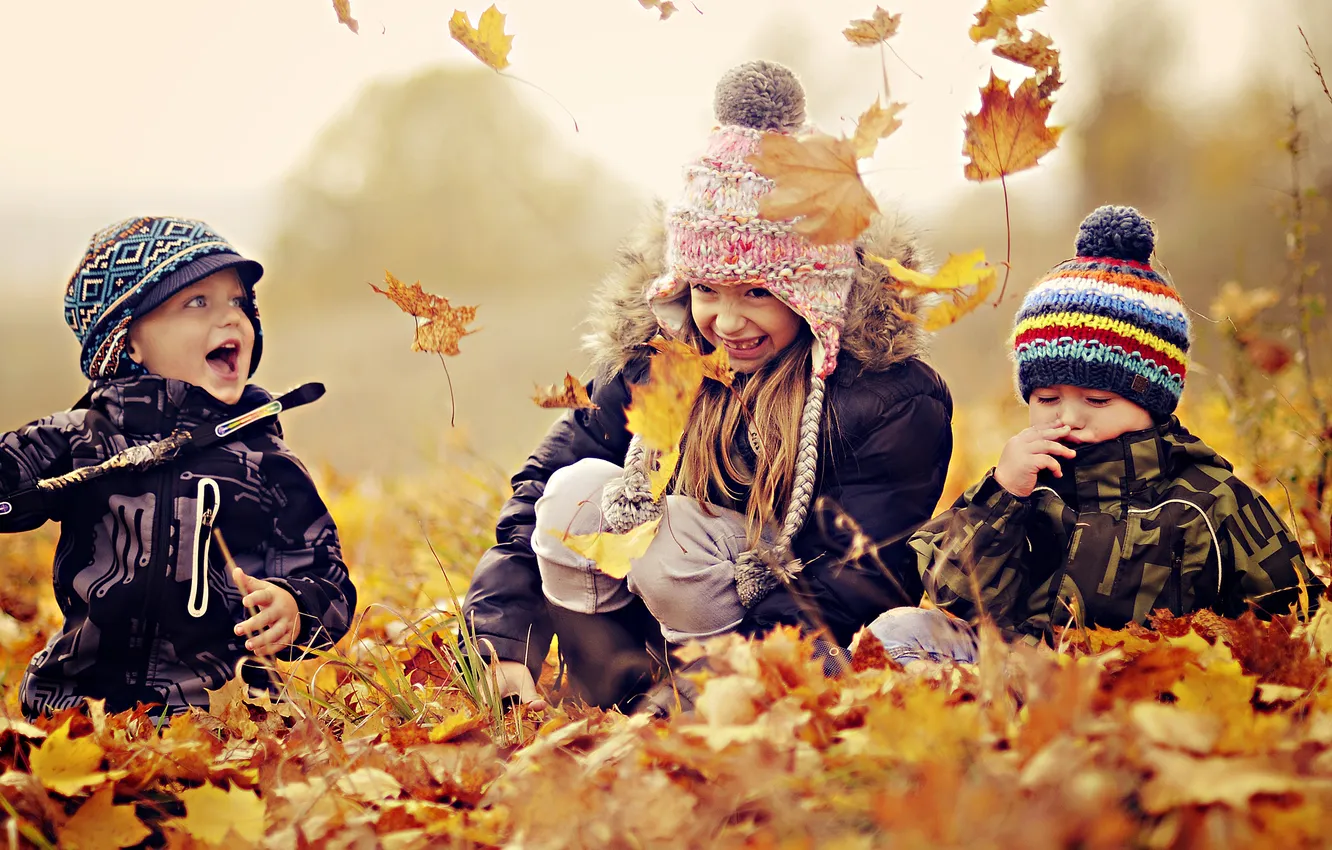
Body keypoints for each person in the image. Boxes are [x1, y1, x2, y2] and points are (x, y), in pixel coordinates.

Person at [463, 61, 954, 710]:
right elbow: (538, 491)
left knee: (676, 542)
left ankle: (701, 704)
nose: (726, 320)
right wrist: (501, 640)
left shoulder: (883, 400)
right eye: (705, 291)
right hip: (657, 641)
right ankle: (615, 692)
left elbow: (851, 581)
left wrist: (713, 692)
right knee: (573, 495)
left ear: (813, 294)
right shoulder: (662, 362)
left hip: (794, 654)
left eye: (757, 292)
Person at [869, 205, 1323, 666]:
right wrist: (1001, 497)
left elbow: (1293, 615)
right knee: (898, 629)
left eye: (1097, 401)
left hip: (1147, 694)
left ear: (1153, 401)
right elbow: (958, 598)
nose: (1069, 417)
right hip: (1025, 676)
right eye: (1047, 399)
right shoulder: (1028, 485)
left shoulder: (1208, 499)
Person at [0, 217, 356, 719]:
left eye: (238, 302)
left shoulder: (264, 460)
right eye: (198, 302)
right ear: (128, 341)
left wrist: (294, 607)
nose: (232, 318)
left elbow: (329, 579)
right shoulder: (84, 436)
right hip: (77, 708)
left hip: (221, 721)